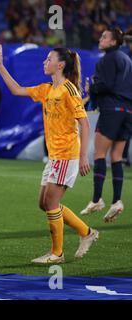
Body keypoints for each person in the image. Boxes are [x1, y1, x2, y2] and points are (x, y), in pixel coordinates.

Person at [0, 44, 99, 264]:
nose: (45, 62)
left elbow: (84, 124)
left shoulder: (69, 90)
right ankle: (86, 232)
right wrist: (0, 66)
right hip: (54, 156)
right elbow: (17, 90)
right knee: (44, 203)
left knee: (51, 202)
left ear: (60, 65)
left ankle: (57, 253)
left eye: (48, 59)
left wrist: (82, 157)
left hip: (66, 154)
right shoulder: (46, 89)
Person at [81, 27, 132, 222]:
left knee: (100, 154)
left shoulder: (107, 59)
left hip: (112, 109)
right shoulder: (128, 60)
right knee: (117, 157)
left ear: (113, 42)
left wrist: (92, 87)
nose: (100, 39)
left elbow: (106, 85)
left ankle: (96, 199)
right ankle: (117, 201)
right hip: (128, 112)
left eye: (104, 37)